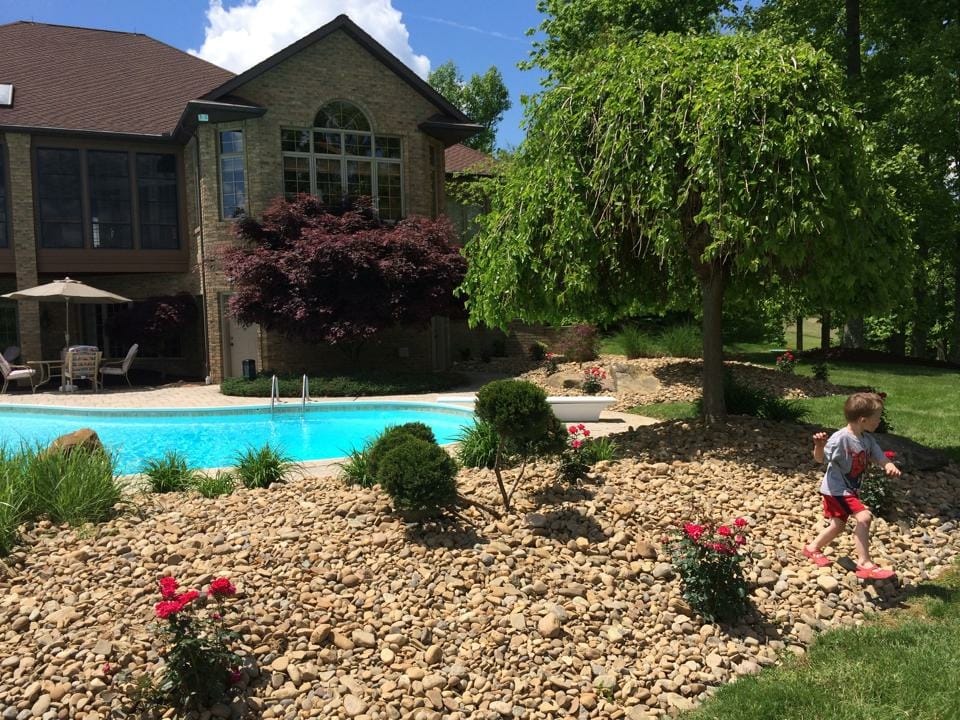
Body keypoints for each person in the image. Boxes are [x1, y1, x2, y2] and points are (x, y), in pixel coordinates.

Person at [802, 392, 901, 579]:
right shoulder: (841, 439)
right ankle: (864, 562)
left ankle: (812, 548)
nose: (879, 421)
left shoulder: (866, 439)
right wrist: (819, 446)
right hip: (837, 490)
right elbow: (820, 459)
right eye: (877, 418)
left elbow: (878, 455)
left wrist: (888, 464)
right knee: (864, 517)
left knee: (838, 525)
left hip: (849, 490)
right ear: (863, 420)